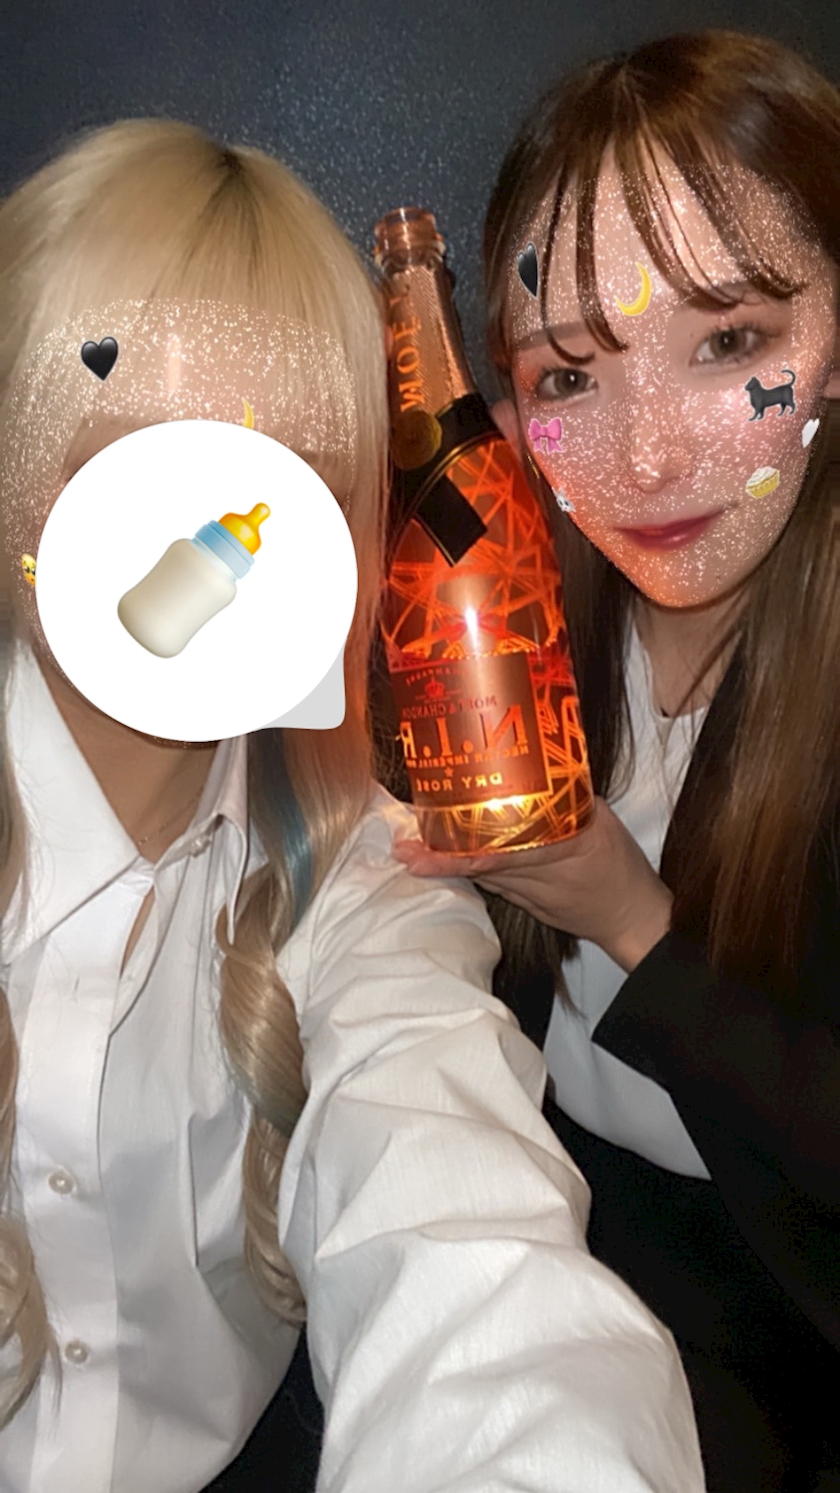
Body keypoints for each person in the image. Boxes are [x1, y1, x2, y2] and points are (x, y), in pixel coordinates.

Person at [0, 119, 703, 1492]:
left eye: (276, 484)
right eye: (130, 462)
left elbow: (470, 1245)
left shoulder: (365, 872)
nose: (197, 549)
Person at [393, 29, 840, 1493]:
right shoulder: (513, 596)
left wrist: (631, 917)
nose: (645, 463)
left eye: (732, 342)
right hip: (541, 1236)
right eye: (573, 375)